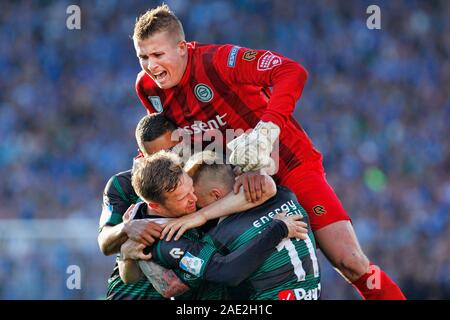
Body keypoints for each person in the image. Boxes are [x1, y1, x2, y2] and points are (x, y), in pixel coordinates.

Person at [132, 4, 406, 299]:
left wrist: (266, 131)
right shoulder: (149, 88)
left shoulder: (218, 61)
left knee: (350, 261)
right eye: (143, 57)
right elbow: (164, 145)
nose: (151, 65)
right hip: (234, 185)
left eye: (158, 55)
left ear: (183, 47)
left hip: (289, 164)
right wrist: (131, 218)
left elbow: (291, 71)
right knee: (214, 276)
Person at [99, 113, 289, 299]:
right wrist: (127, 231)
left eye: (172, 151)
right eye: (157, 156)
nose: (167, 161)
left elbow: (266, 187)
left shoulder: (201, 175)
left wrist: (200, 216)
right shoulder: (126, 186)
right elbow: (107, 246)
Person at [119, 151, 314, 300]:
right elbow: (222, 273)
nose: (193, 199)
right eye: (183, 197)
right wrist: (126, 255)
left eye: (191, 190)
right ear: (155, 206)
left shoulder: (265, 194)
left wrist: (202, 215)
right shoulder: (164, 239)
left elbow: (267, 187)